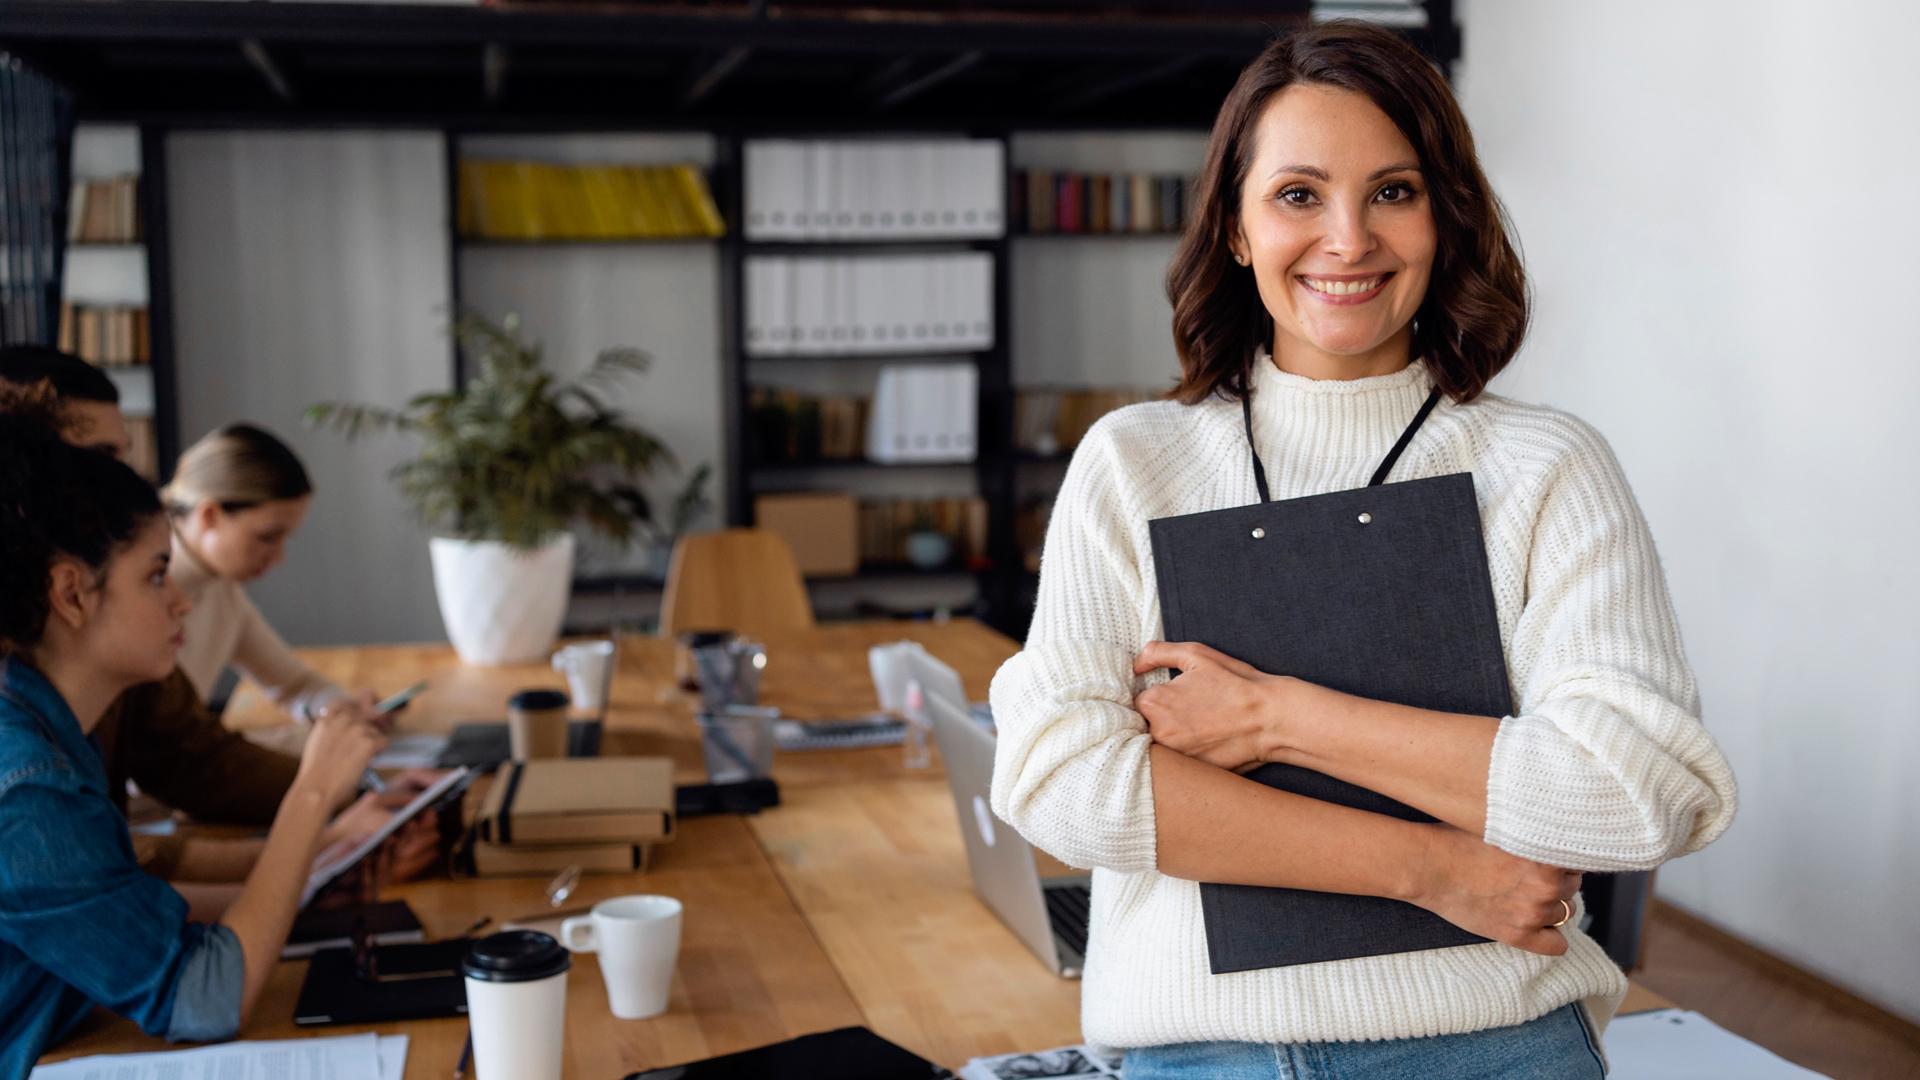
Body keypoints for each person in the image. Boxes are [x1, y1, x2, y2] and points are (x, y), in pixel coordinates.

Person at [987, 23, 1738, 1078]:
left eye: (1394, 191)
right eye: (1299, 195)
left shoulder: (1545, 465)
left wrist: (1272, 717)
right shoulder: (1135, 462)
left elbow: (1637, 791)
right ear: (1238, 230)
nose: (1349, 239)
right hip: (1206, 1057)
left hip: (1494, 1048)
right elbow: (1061, 781)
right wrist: (1432, 867)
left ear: (1447, 217)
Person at [0, 416, 386, 1076]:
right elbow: (208, 998)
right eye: (156, 576)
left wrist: (311, 880)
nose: (181, 601)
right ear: (70, 594)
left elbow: (127, 907)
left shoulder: (53, 728)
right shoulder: (30, 782)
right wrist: (314, 790)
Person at [0, 348, 438, 905]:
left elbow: (184, 774)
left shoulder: (114, 630)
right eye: (98, 458)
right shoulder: (24, 745)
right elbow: (107, 865)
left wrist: (331, 836)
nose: (178, 603)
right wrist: (320, 832)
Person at [163, 423, 368, 724]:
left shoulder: (219, 585)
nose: (278, 558)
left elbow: (295, 684)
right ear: (210, 516)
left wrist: (339, 710)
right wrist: (326, 741)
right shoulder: (142, 593)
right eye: (268, 537)